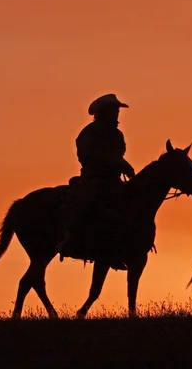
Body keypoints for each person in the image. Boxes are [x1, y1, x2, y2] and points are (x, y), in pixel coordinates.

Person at [57, 93, 135, 269]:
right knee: (87, 203)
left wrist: (125, 166)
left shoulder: (117, 134)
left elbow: (118, 156)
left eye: (117, 109)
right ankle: (69, 239)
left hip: (112, 180)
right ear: (103, 111)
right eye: (114, 109)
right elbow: (86, 156)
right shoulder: (89, 132)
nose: (117, 113)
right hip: (94, 179)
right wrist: (114, 163)